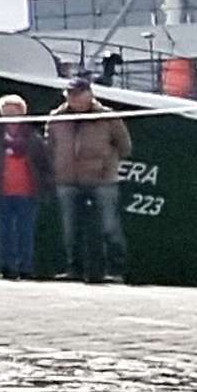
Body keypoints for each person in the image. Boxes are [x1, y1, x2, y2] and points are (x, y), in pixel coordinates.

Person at [45, 77, 131, 284]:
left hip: (101, 180)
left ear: (90, 94)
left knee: (109, 225)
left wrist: (107, 165)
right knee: (70, 227)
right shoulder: (56, 118)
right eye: (70, 95)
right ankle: (73, 269)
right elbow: (50, 147)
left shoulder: (108, 117)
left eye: (78, 94)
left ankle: (115, 269)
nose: (74, 99)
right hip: (67, 179)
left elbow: (125, 146)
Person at [0, 94, 47, 280]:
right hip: (0, 193)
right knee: (3, 232)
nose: (9, 116)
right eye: (5, 113)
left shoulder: (34, 138)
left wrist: (44, 187)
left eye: (13, 112)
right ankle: (6, 267)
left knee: (25, 232)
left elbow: (44, 164)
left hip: (28, 192)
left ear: (22, 113)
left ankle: (25, 268)